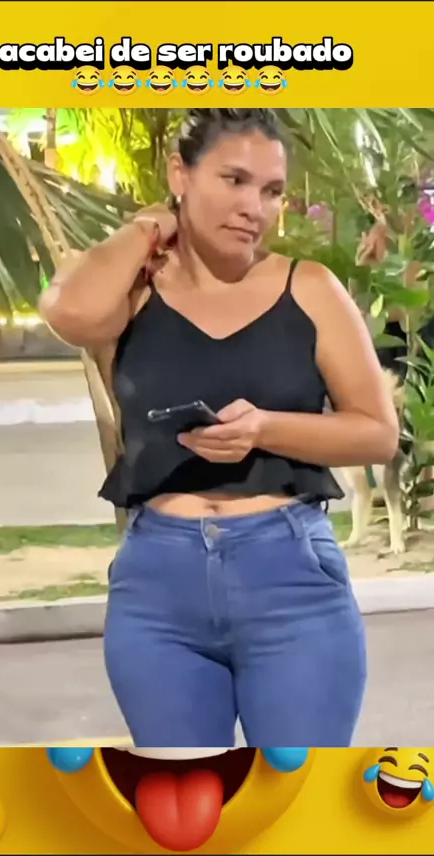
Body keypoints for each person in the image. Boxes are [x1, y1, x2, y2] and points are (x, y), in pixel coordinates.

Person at [39, 108, 399, 748]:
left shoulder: (309, 288)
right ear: (180, 174)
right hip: (158, 589)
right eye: (234, 180)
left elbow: (376, 433)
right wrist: (150, 226)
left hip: (290, 578)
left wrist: (264, 429)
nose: (254, 208)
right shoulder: (135, 292)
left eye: (271, 191)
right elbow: (70, 312)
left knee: (293, 799)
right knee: (185, 799)